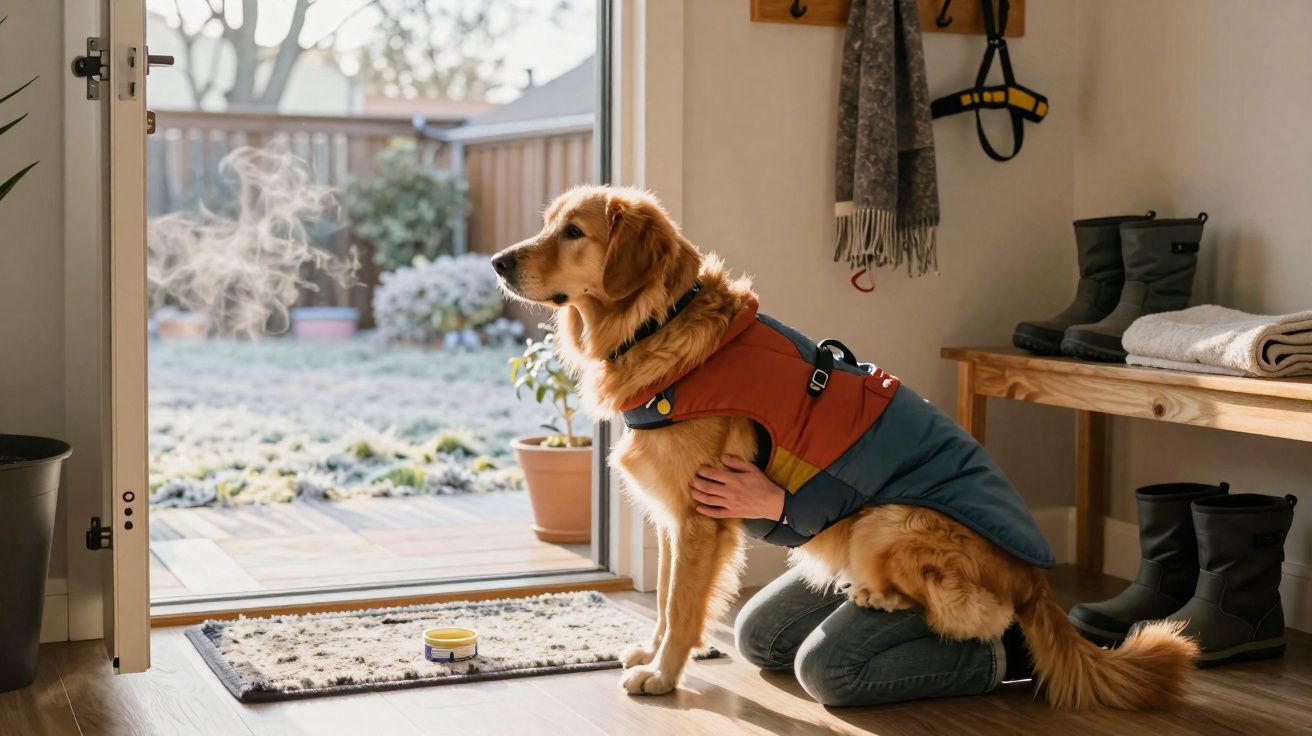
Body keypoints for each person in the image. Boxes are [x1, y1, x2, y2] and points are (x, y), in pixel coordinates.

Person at [692, 454, 1031, 707]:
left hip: (923, 538)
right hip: (862, 534)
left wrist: (780, 504)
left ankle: (1011, 650)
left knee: (827, 673)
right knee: (758, 638)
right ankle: (881, 595)